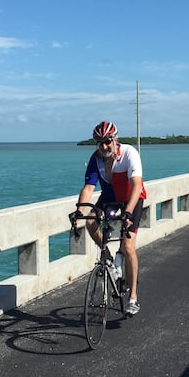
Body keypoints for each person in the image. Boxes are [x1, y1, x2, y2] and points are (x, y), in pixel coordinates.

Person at [71, 121, 147, 316]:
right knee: (90, 220)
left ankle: (133, 298)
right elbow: (88, 188)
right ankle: (107, 256)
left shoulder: (129, 153)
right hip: (110, 198)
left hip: (132, 198)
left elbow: (136, 185)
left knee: (128, 246)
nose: (104, 146)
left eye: (107, 141)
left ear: (115, 139)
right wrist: (79, 211)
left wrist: (128, 212)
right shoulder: (96, 159)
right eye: (100, 143)